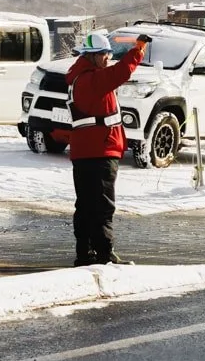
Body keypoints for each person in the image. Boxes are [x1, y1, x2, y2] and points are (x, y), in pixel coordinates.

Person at [64, 27, 149, 266]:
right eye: (103, 54)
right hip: (100, 150)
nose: (107, 58)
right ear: (90, 55)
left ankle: (85, 252)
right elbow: (120, 72)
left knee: (86, 205)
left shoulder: (79, 77)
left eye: (108, 54)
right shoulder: (92, 79)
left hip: (85, 151)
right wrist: (138, 50)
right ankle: (103, 254)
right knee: (102, 206)